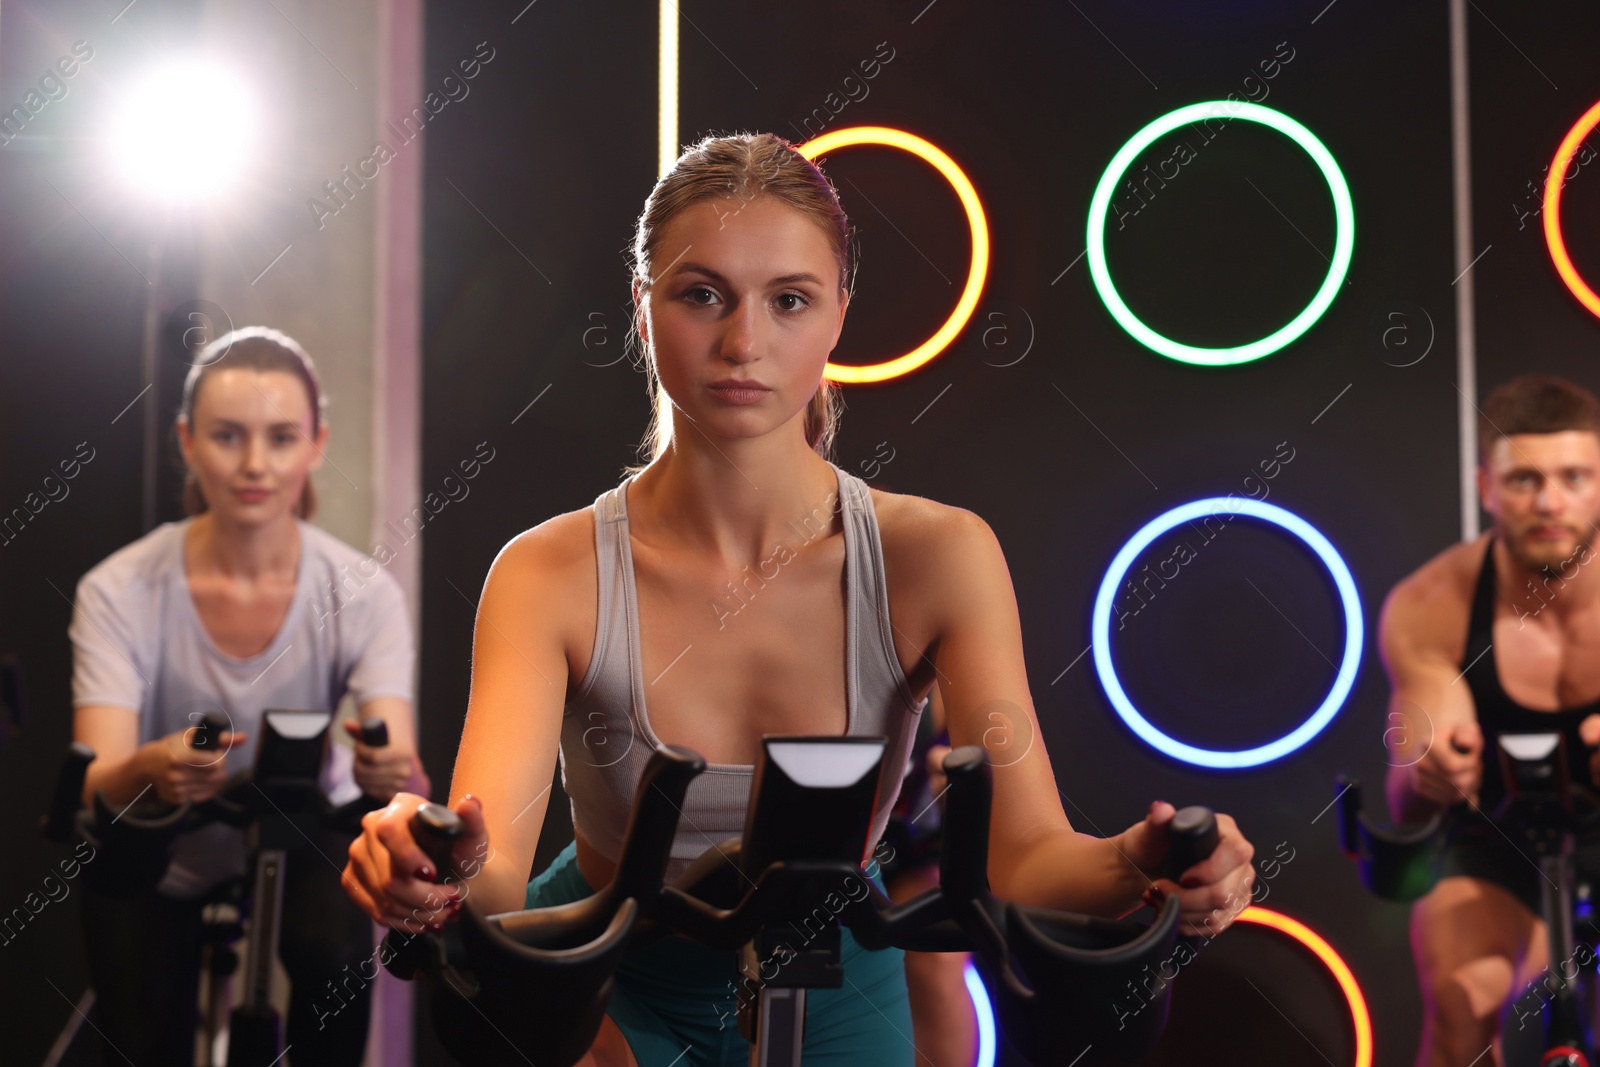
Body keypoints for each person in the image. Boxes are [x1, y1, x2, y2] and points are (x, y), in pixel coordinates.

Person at [343, 131, 1256, 1067]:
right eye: (702, 295)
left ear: (837, 319)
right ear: (643, 310)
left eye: (788, 301)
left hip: (837, 972)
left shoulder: (939, 555)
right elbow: (492, 872)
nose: (744, 343)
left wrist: (1139, 866)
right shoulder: (546, 572)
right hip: (612, 972)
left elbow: (1023, 857)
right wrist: (428, 865)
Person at [70, 326, 429, 1066]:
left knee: (334, 964)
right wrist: (156, 768)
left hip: (301, 831)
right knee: (138, 1035)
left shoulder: (364, 593)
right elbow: (98, 777)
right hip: (164, 845)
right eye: (229, 436)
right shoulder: (118, 588)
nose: (256, 464)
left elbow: (391, 750)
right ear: (188, 441)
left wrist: (386, 771)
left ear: (316, 443)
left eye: (282, 437)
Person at [1381, 374, 1600, 1067]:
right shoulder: (1430, 604)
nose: (1551, 501)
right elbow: (1405, 793)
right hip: (1500, 842)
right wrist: (1432, 767)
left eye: (1575, 476)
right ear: (1486, 487)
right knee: (1459, 1001)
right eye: (1525, 479)